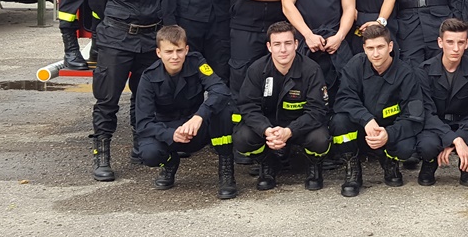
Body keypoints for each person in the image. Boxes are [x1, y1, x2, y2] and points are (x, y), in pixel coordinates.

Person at [87, 0, 167, 181]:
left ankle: (140, 145)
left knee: (143, 97)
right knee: (107, 100)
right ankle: (102, 155)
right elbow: (96, 0)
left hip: (149, 39)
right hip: (116, 38)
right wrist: (113, 25)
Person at [135, 25, 237, 199]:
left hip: (196, 129)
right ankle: (170, 162)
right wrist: (171, 134)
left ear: (187, 49)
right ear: (159, 53)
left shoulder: (196, 62)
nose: (175, 56)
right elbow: (143, 124)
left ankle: (226, 172)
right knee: (149, 154)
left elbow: (220, 90)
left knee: (224, 108)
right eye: (169, 52)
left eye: (179, 50)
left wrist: (199, 116)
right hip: (168, 132)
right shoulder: (148, 78)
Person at [234, 21, 331, 192]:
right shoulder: (256, 69)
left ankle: (313, 165)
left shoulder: (311, 70)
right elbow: (248, 106)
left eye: (288, 43)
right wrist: (266, 130)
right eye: (277, 44)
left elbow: (317, 110)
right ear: (269, 47)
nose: (283, 49)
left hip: (301, 127)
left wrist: (290, 131)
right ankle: (268, 163)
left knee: (320, 139)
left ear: (296, 44)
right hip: (269, 128)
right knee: (242, 138)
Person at [332, 24, 425, 197]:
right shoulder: (355, 65)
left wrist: (388, 134)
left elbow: (413, 117)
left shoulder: (406, 73)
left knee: (405, 147)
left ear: (390, 46)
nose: (375, 53)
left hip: (388, 129)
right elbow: (344, 98)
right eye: (370, 48)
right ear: (364, 49)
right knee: (339, 122)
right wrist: (366, 119)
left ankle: (389, 161)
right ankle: (352, 168)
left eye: (380, 47)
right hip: (362, 127)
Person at [415, 18, 468, 187]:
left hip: (465, 123)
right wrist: (454, 139)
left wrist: (459, 137)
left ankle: (467, 165)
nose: (456, 48)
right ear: (440, 42)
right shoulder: (424, 71)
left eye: (460, 42)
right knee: (427, 145)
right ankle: (429, 162)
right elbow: (426, 112)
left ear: (467, 44)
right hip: (436, 124)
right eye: (450, 42)